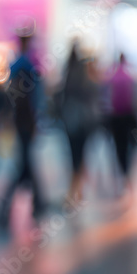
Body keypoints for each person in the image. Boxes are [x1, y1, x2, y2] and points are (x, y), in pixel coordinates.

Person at [0, 35, 45, 225]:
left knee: (25, 162)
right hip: (26, 119)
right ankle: (35, 202)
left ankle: (6, 206)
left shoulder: (18, 65)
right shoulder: (29, 65)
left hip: (21, 119)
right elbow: (34, 98)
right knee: (25, 162)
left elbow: (13, 97)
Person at [59, 43, 100, 203]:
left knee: (73, 155)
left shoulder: (68, 71)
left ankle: (75, 190)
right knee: (80, 154)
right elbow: (93, 92)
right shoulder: (83, 72)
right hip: (82, 120)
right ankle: (76, 190)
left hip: (70, 119)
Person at [107, 54, 137, 188]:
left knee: (119, 145)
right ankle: (127, 171)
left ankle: (122, 170)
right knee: (129, 144)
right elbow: (135, 98)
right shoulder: (129, 77)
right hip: (127, 116)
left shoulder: (112, 78)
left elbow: (108, 99)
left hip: (116, 117)